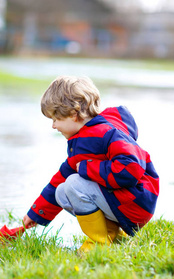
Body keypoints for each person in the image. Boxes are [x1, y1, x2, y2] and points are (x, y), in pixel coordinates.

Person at [22, 75, 159, 252]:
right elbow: (59, 178)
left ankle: (99, 243)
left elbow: (131, 168)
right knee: (62, 191)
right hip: (121, 200)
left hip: (135, 202)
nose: (53, 126)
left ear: (73, 114)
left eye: (55, 119)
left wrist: (88, 168)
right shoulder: (83, 139)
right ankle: (112, 235)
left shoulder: (107, 133)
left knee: (73, 184)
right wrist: (36, 213)